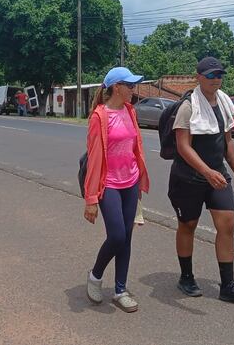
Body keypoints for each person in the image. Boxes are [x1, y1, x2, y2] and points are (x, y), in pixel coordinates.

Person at [169, 56, 234, 305]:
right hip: (188, 178)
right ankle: (186, 277)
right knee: (188, 225)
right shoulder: (188, 106)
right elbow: (183, 147)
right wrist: (206, 172)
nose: (216, 79)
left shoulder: (224, 102)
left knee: (227, 223)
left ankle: (228, 285)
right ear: (199, 77)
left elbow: (227, 142)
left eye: (219, 75)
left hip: (217, 174)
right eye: (211, 75)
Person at [83, 67, 150, 313]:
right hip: (108, 184)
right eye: (130, 85)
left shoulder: (130, 111)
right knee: (118, 236)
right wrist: (91, 198)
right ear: (116, 88)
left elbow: (136, 148)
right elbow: (94, 161)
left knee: (128, 238)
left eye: (134, 85)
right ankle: (95, 275)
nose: (134, 89)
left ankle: (120, 290)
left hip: (130, 182)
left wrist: (140, 180)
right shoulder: (99, 117)